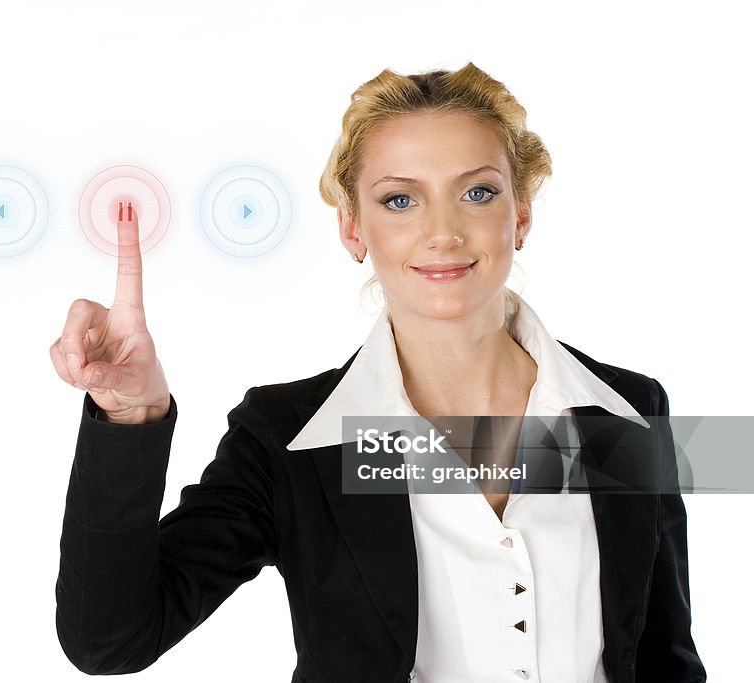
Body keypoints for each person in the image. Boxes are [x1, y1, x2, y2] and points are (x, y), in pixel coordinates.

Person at [50, 63, 706, 682]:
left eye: (478, 192)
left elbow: (667, 658)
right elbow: (110, 639)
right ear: (352, 227)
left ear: (522, 212)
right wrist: (127, 415)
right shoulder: (290, 440)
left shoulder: (630, 410)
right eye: (400, 200)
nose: (442, 231)